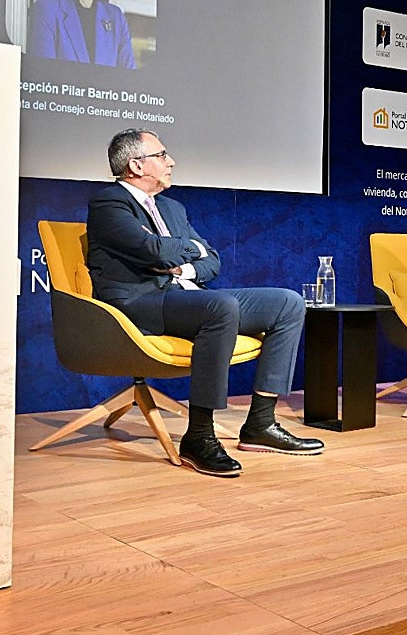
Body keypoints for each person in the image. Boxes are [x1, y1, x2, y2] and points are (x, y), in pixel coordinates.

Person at [85, 129, 323, 477]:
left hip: (187, 295)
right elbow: (151, 250)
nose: (171, 162)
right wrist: (181, 250)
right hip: (142, 302)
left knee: (287, 303)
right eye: (162, 155)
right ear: (136, 165)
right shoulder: (109, 204)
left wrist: (183, 258)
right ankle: (198, 436)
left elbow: (211, 259)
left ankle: (261, 423)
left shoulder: (171, 207)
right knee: (220, 306)